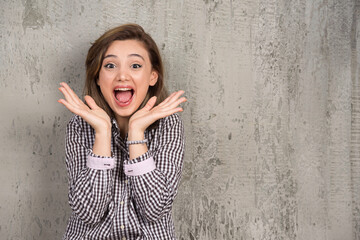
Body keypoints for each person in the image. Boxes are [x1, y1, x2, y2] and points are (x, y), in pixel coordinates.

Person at [58, 23, 186, 239]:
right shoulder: (79, 126)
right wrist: (102, 133)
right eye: (110, 66)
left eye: (135, 66)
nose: (122, 76)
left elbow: (155, 210)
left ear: (152, 76)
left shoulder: (168, 124)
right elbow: (88, 213)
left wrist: (136, 135)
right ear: (98, 77)